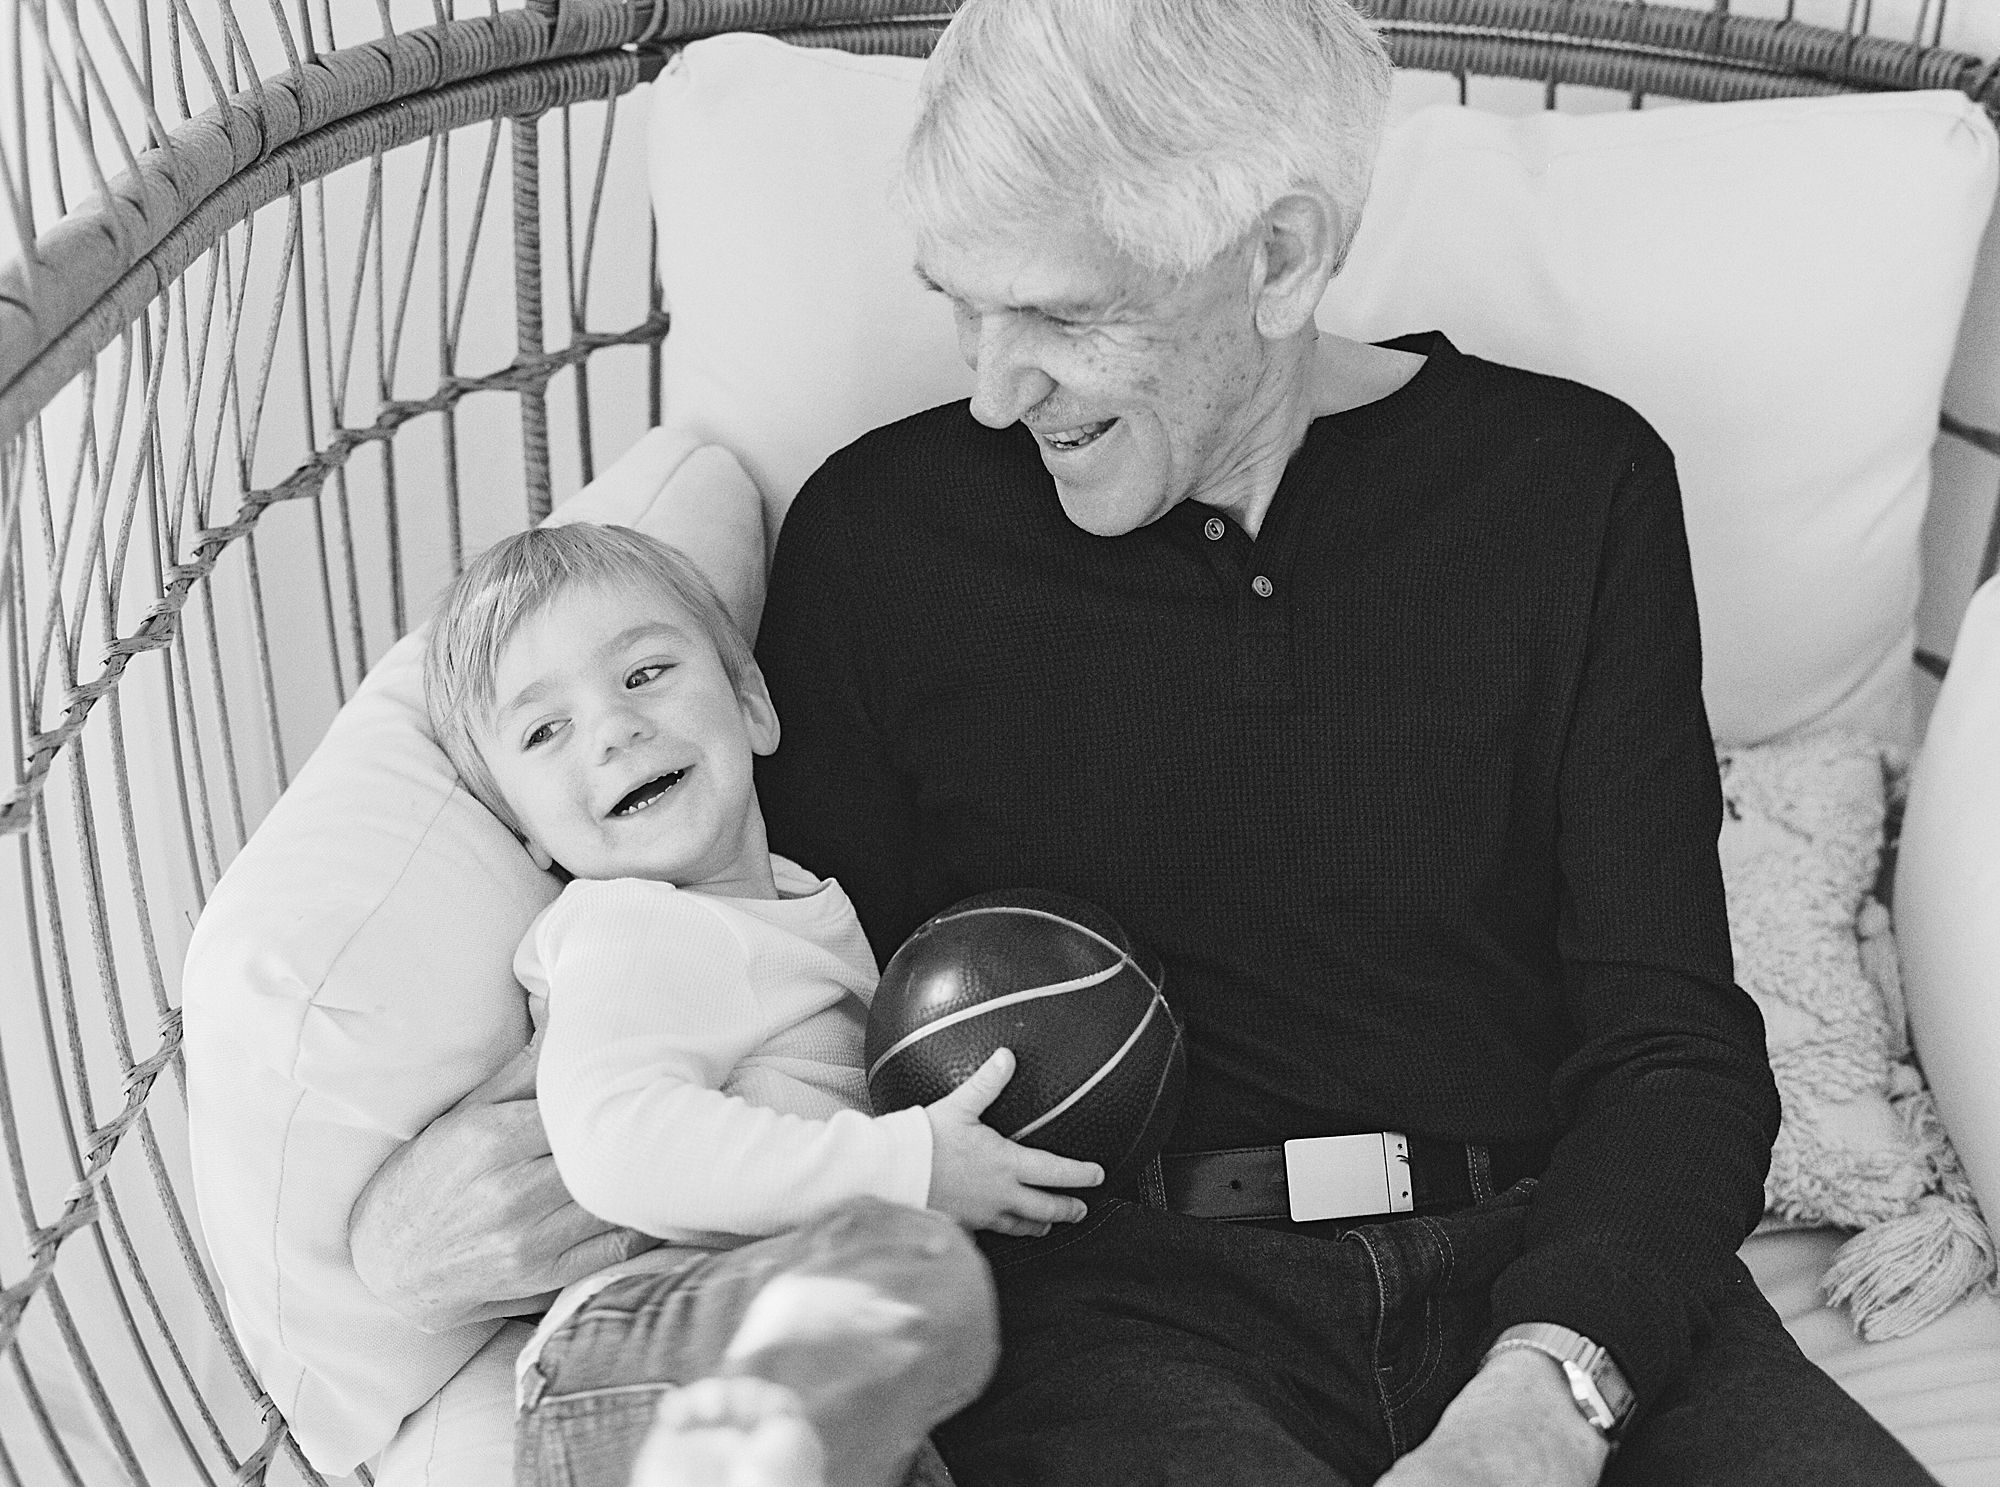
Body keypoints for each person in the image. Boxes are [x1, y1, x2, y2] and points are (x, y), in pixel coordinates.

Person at [738, 2, 1951, 1485]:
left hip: (1561, 1269)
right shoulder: (881, 544)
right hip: (1121, 1314)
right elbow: (785, 1014)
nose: (997, 389)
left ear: (1280, 257)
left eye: (1061, 316)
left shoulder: (1569, 490)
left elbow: (1676, 1046)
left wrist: (1553, 1383)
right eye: (961, 305)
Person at [418, 522, 1100, 1486]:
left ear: (751, 705)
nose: (614, 728)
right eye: (544, 730)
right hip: (644, 1351)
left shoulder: (792, 910)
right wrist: (913, 1165)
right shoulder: (635, 928)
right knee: (916, 1276)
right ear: (525, 832)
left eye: (645, 674)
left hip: (767, 1360)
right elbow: (615, 1144)